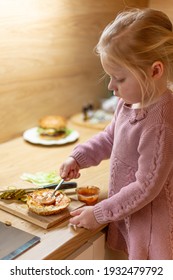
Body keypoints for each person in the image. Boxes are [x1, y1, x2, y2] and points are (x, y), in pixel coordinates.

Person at [59, 8, 173, 260]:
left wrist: (99, 213)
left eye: (118, 78)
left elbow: (145, 188)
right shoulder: (129, 102)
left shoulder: (161, 125)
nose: (111, 86)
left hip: (150, 224)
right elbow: (111, 136)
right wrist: (79, 157)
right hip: (126, 211)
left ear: (155, 71)